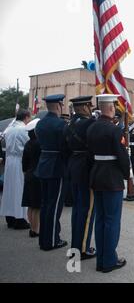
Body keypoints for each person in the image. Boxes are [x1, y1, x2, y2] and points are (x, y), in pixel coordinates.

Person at [86, 94, 129, 273]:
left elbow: (90, 155)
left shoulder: (91, 128)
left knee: (101, 219)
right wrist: (127, 175)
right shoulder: (114, 130)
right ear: (111, 108)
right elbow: (122, 156)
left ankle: (101, 260)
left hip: (96, 175)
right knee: (112, 221)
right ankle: (109, 261)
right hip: (112, 178)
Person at [64, 96, 97, 260]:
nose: (90, 109)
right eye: (89, 106)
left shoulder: (69, 124)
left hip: (73, 167)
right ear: (84, 107)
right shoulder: (89, 124)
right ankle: (82, 249)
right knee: (87, 210)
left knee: (77, 210)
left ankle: (75, 246)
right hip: (85, 168)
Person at [35, 95, 68, 251]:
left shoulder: (40, 124)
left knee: (45, 205)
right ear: (59, 105)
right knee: (54, 206)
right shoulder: (60, 124)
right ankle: (52, 240)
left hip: (43, 165)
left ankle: (44, 239)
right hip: (56, 167)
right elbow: (65, 148)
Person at [0, 109, 31, 230]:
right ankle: (19, 218)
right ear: (26, 117)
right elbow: (28, 145)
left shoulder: (9, 128)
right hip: (19, 160)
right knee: (19, 190)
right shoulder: (23, 129)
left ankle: (10, 217)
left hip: (10, 161)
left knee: (9, 190)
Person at [21, 118, 41, 237]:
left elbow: (24, 164)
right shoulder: (39, 144)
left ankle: (31, 227)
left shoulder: (28, 144)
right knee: (37, 205)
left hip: (28, 174)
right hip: (37, 175)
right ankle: (36, 229)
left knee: (30, 204)